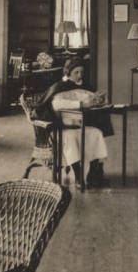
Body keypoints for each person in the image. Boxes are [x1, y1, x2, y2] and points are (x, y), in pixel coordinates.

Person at [35, 56, 114, 187]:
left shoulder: (86, 86)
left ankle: (94, 173)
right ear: (68, 73)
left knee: (97, 133)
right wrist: (81, 104)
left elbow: (92, 104)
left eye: (82, 72)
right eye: (76, 72)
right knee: (70, 138)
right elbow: (56, 105)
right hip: (61, 128)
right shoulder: (60, 86)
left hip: (81, 125)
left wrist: (98, 101)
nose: (79, 75)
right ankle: (78, 176)